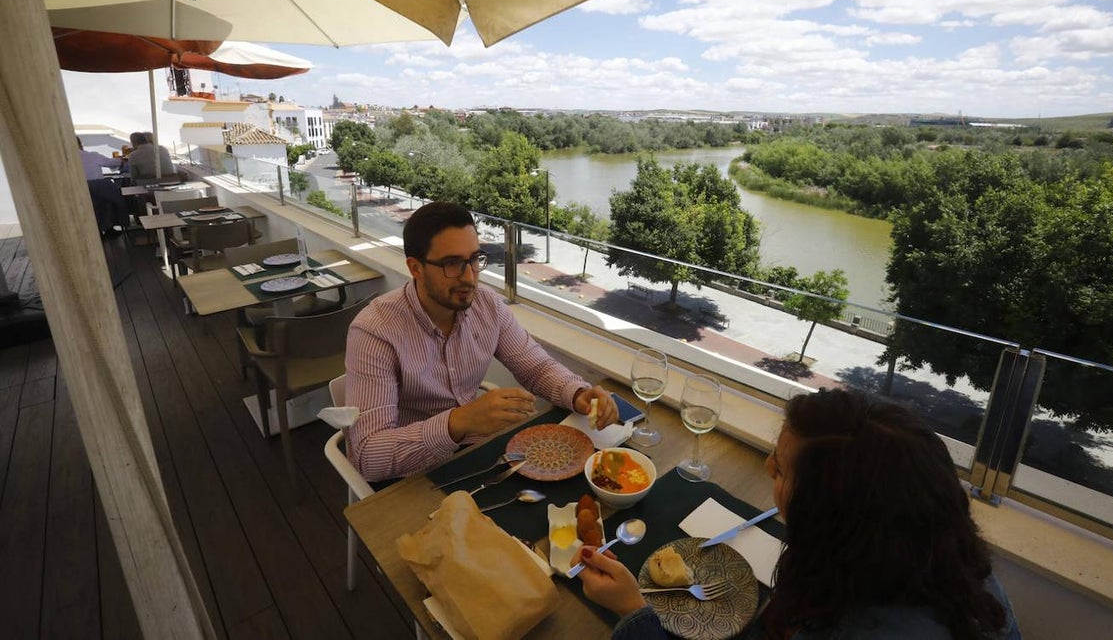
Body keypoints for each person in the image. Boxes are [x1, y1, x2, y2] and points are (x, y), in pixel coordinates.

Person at [575, 388, 1021, 640]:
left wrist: (633, 612)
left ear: (836, 519)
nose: (767, 467)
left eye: (783, 469)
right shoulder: (952, 565)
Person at [345, 201, 619, 481]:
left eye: (474, 259)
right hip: (410, 477)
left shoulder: (486, 304)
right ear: (415, 268)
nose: (469, 277)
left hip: (476, 454)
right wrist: (459, 422)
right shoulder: (374, 332)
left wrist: (576, 393)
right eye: (451, 264)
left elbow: (535, 367)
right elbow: (369, 456)